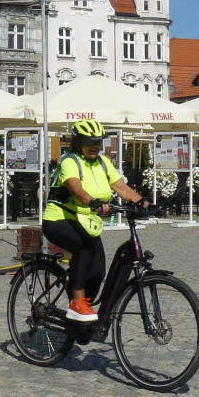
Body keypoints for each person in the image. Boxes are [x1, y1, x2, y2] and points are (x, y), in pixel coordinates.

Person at [41, 119, 150, 323]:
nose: (95, 146)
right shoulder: (69, 161)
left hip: (86, 222)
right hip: (59, 219)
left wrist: (143, 202)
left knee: (98, 271)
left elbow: (122, 188)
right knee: (84, 248)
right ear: (78, 142)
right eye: (89, 141)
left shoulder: (103, 162)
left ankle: (84, 318)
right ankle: (77, 302)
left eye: (98, 142)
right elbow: (75, 188)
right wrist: (91, 201)